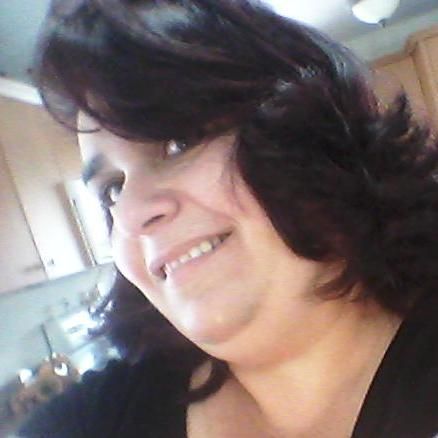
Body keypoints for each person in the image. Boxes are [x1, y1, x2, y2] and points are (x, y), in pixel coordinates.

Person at [19, 0, 438, 436]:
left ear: (315, 136)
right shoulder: (92, 422)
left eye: (178, 142)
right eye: (112, 189)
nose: (130, 213)